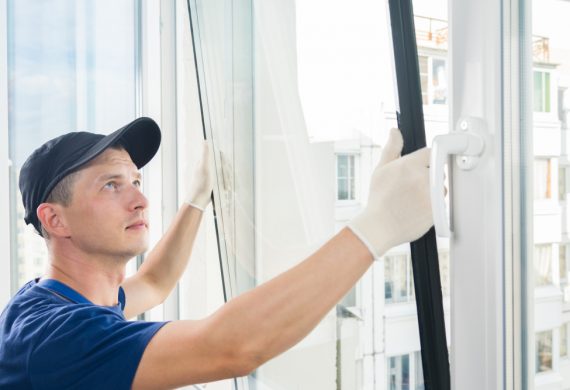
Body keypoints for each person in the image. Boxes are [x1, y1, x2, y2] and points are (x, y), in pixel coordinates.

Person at [0, 117, 432, 389]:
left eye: (136, 182)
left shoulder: (57, 299)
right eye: (111, 185)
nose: (140, 201)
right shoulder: (54, 339)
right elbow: (232, 347)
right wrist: (376, 227)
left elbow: (154, 281)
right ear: (55, 221)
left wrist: (196, 198)